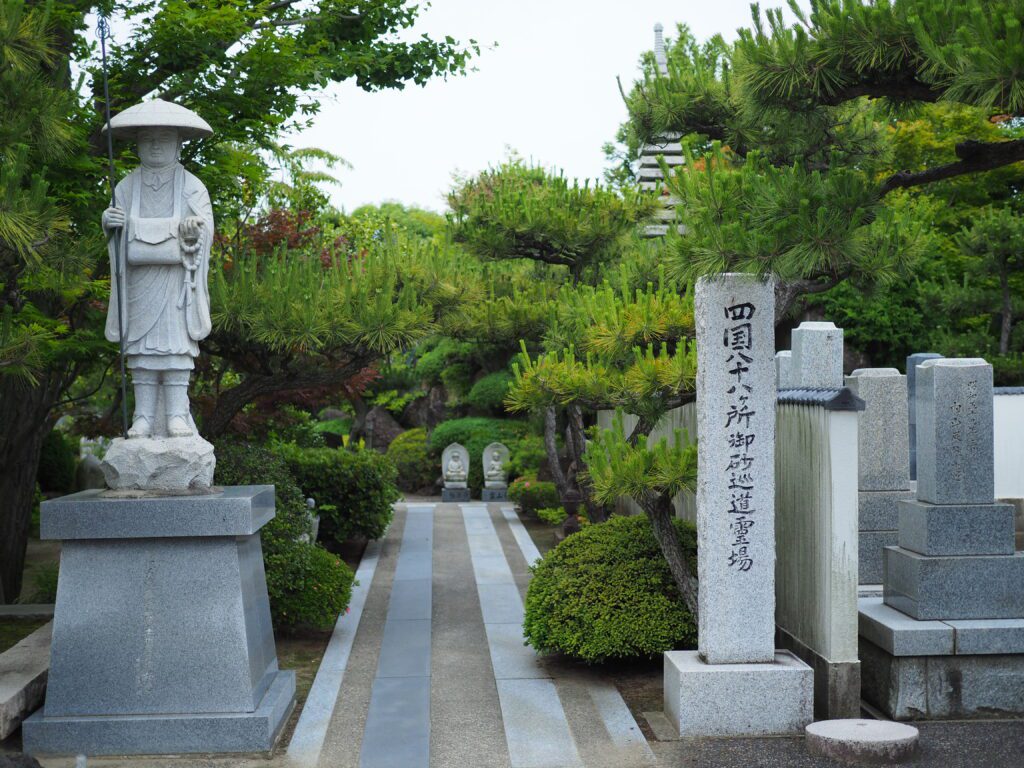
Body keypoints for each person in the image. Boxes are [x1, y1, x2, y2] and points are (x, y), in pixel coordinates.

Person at [101, 100, 214, 439]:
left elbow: (205, 227)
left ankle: (177, 415)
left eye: (163, 139)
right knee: (141, 349)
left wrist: (195, 228)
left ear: (178, 144)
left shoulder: (192, 185)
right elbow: (115, 224)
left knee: (176, 348)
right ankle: (144, 417)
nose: (154, 146)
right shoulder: (126, 186)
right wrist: (110, 223)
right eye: (148, 139)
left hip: (176, 281)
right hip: (139, 279)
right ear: (137, 144)